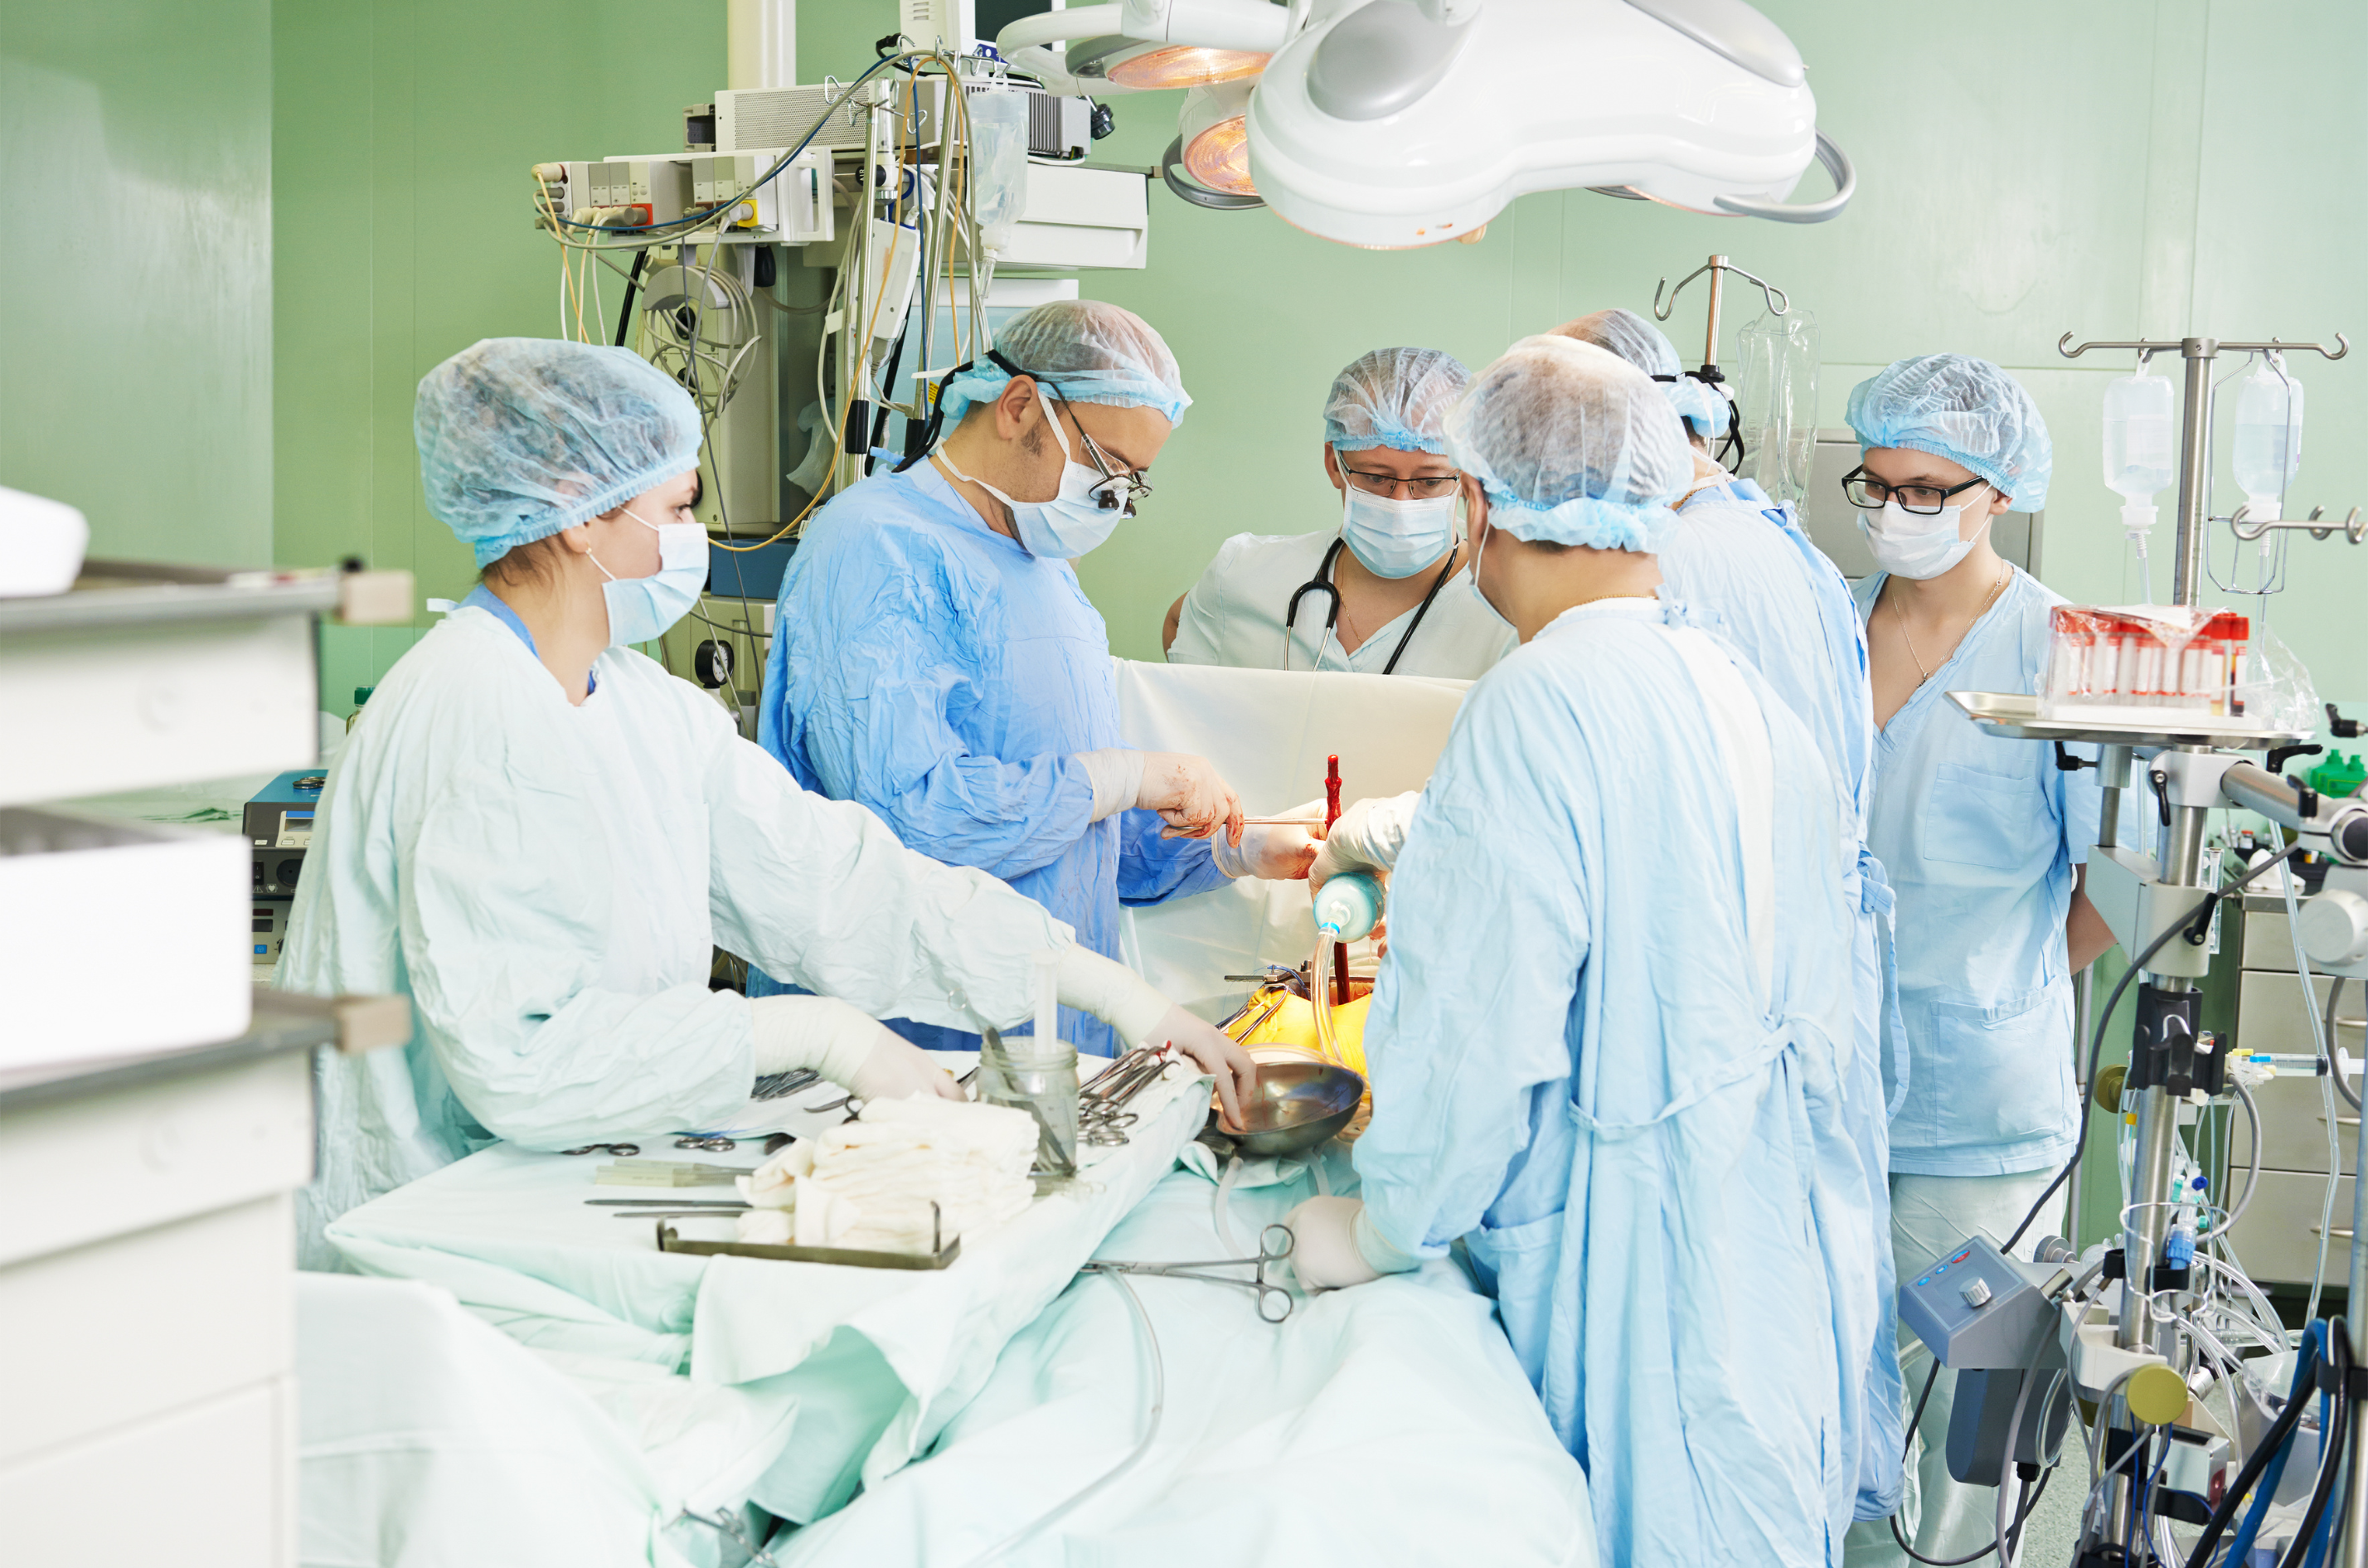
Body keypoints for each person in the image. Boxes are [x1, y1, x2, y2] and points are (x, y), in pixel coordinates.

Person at [279, 337, 1256, 1268]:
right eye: (678, 504)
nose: (693, 537)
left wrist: (1113, 993)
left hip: (542, 1191)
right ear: (579, 512)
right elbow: (525, 1058)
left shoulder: (640, 705)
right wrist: (822, 1034)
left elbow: (836, 879)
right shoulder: (474, 707)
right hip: (421, 1221)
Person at [1285, 335, 1873, 1567]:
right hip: (1769, 1240)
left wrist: (1385, 1226)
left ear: (1482, 504)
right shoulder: (1729, 683)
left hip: (1631, 1254)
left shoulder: (1540, 696)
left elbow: (1474, 1029)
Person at [1551, 307, 1905, 1527]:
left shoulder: (1683, 561)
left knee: (1717, 1356)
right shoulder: (1757, 529)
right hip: (1782, 981)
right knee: (1783, 1311)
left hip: (1719, 1008)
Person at [759, 301, 1314, 1058]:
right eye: (1106, 465)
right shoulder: (872, 551)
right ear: (1020, 406)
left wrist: (1237, 851)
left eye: (1132, 481)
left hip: (1051, 1039)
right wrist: (1124, 776)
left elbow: (1071, 841)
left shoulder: (1045, 570)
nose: (1113, 497)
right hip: (910, 1046)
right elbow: (912, 820)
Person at [1835, 355, 2114, 1567]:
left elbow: (2112, 881)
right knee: (1833, 1381)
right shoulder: (1824, 624)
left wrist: (2005, 983)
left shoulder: (2063, 650)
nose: (1896, 508)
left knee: (1966, 1411)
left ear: (1998, 490)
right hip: (1829, 1084)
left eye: (1928, 488)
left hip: (1983, 1112)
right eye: (1878, 483)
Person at [1162, 346, 1516, 677]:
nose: (1400, 504)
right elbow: (1184, 673)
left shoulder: (1509, 612)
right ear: (1335, 464)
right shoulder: (1243, 574)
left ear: (1467, 475)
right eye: (1377, 477)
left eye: (1430, 481)